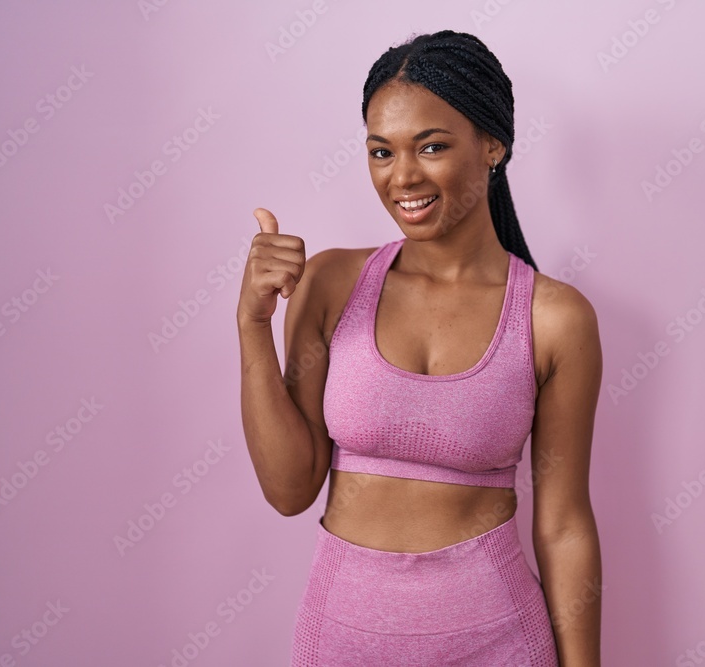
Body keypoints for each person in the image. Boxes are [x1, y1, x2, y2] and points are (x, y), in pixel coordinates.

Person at [237, 29, 603, 666]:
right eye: (382, 151)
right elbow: (291, 489)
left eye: (431, 146)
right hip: (343, 640)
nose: (403, 176)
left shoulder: (554, 318)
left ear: (493, 144)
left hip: (500, 641)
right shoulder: (330, 283)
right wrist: (252, 324)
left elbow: (565, 524)